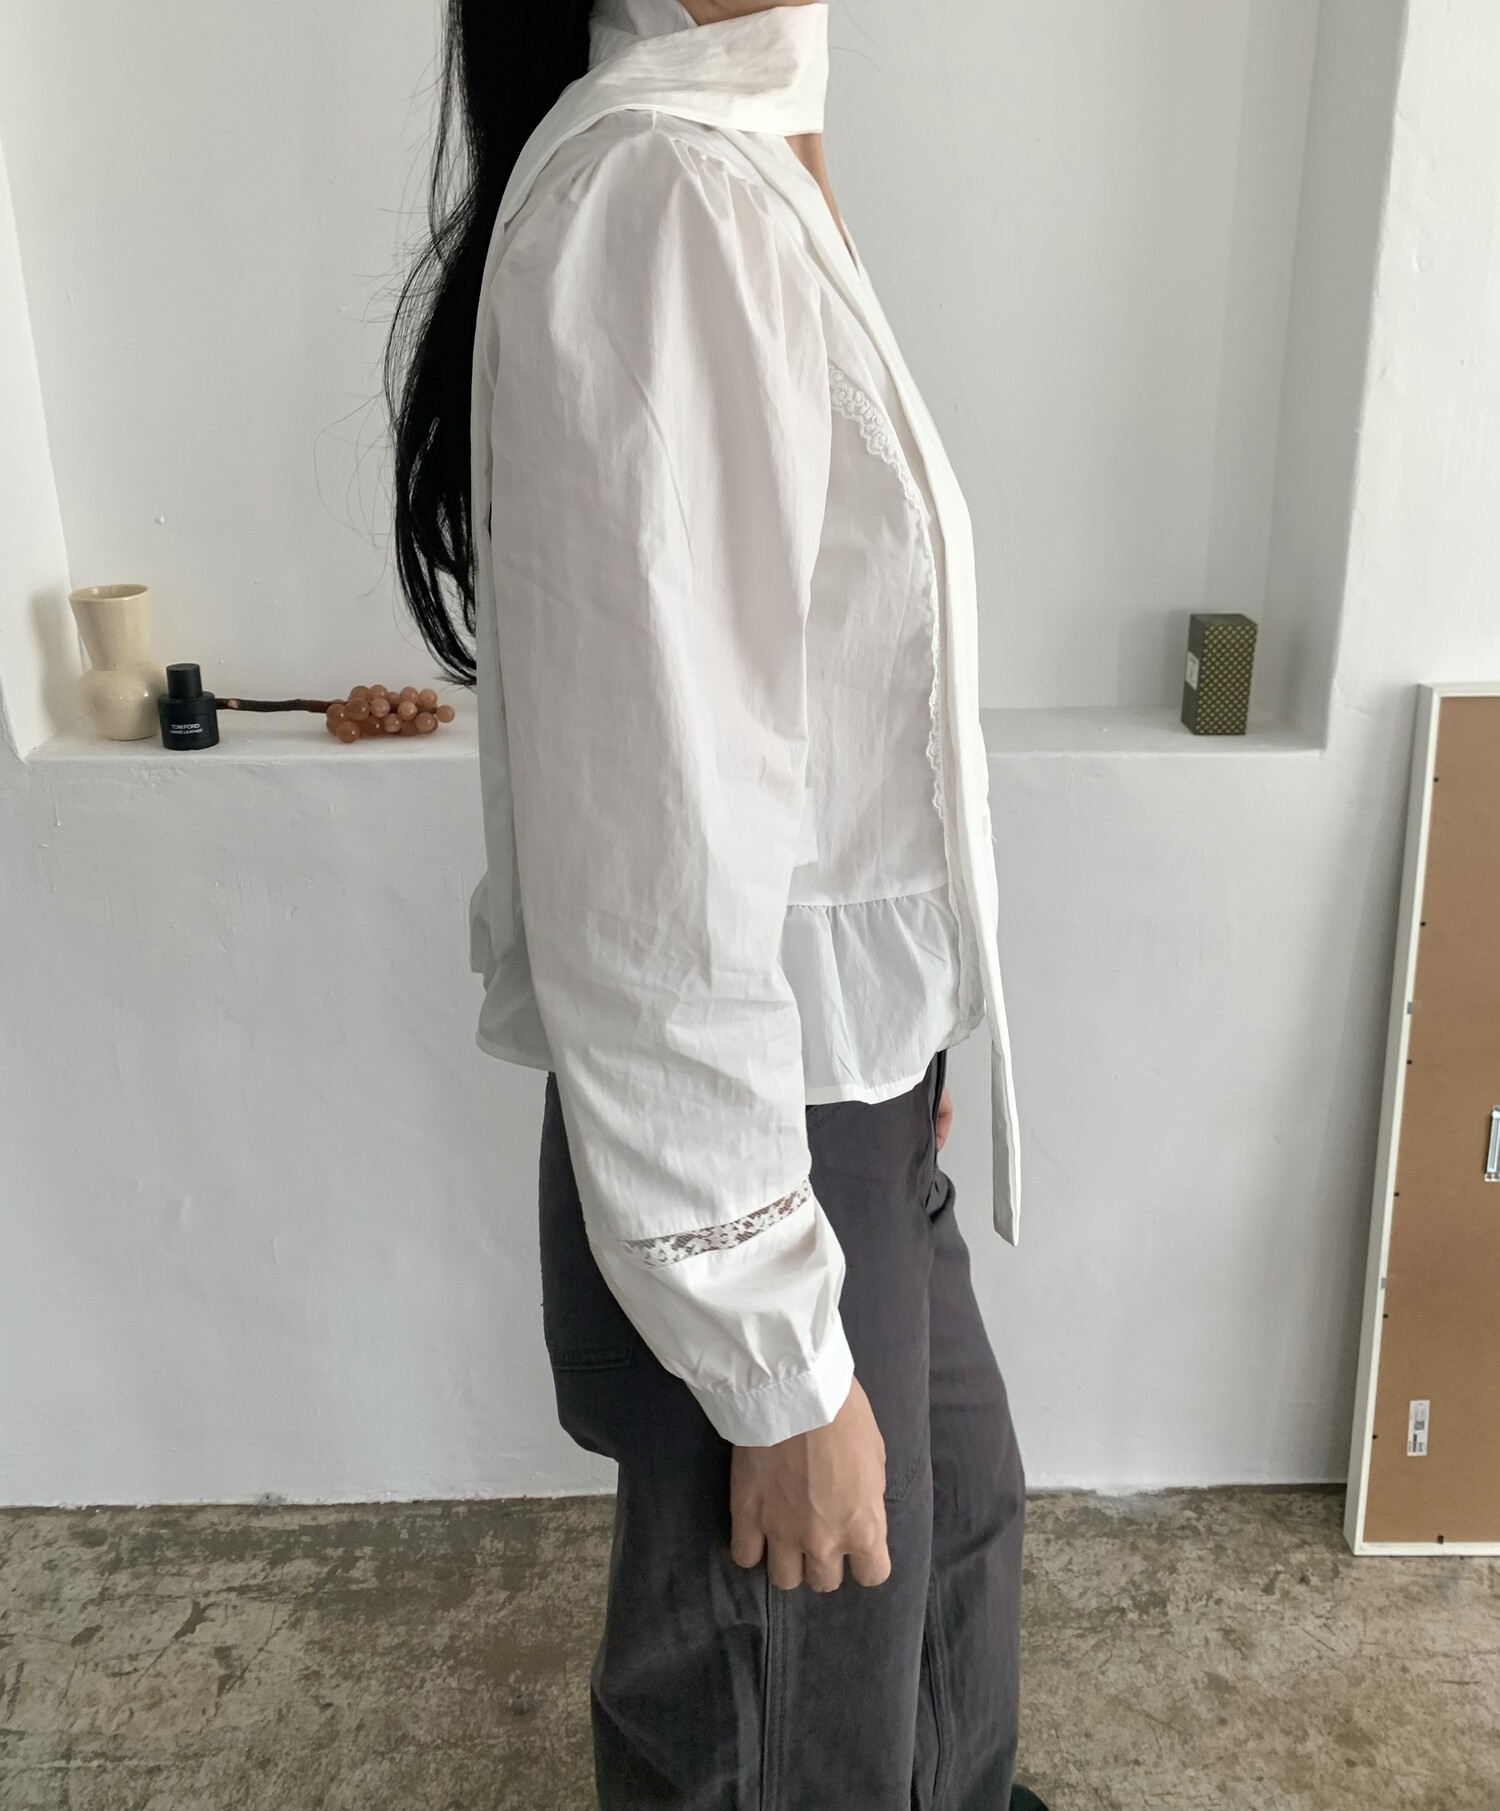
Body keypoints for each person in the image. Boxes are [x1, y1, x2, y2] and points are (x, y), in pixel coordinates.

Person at [388, 3, 1042, 1806]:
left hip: (851, 1096)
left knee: (954, 1563)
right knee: (790, 1715)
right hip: (765, 1144)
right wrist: (771, 1358)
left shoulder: (744, 158)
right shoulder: (667, 201)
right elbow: (652, 856)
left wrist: (906, 1049)